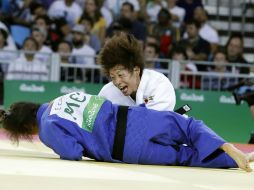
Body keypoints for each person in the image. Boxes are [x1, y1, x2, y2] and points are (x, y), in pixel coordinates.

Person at [0, 91, 254, 172]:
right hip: (136, 117)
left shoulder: (47, 127)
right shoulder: (64, 97)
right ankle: (232, 150)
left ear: (25, 127)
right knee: (188, 126)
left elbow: (73, 152)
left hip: (127, 146)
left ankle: (231, 160)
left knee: (183, 157)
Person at [97, 32, 176, 111]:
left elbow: (155, 121)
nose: (117, 82)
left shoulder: (159, 84)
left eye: (120, 75)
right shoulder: (107, 93)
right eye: (113, 77)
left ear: (136, 70)